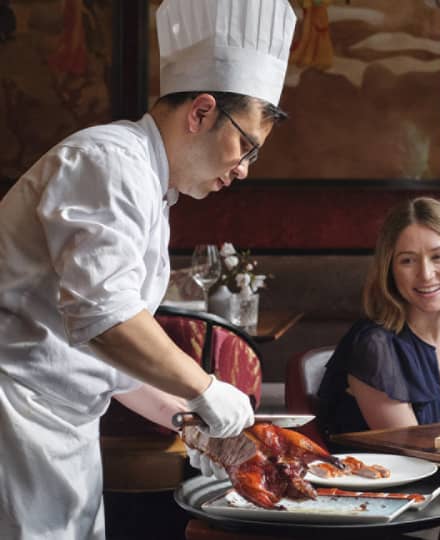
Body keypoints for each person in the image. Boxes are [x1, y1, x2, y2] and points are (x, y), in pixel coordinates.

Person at [0, 1, 296, 538]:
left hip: (62, 429)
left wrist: (192, 423)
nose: (245, 169)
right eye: (245, 146)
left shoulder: (154, 190)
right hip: (14, 414)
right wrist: (205, 386)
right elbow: (108, 321)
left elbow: (108, 357)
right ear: (201, 112)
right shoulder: (108, 162)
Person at [317, 196, 440, 434]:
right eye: (408, 260)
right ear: (390, 270)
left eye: (438, 256)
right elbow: (417, 454)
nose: (426, 274)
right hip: (408, 469)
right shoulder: (374, 346)